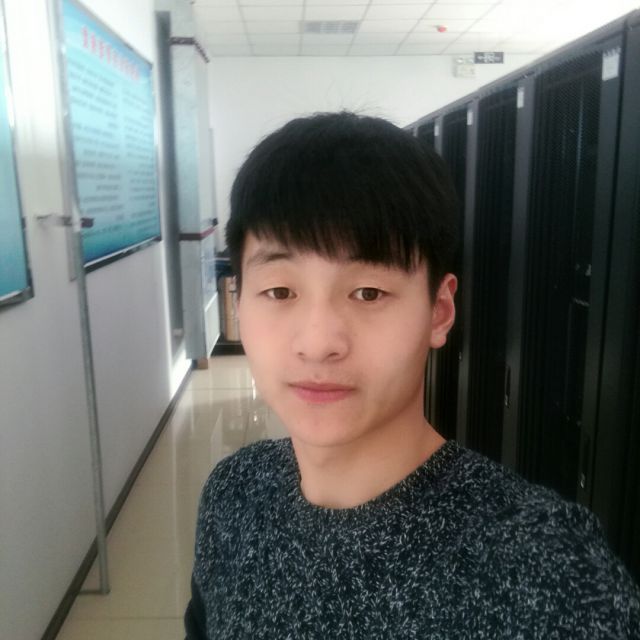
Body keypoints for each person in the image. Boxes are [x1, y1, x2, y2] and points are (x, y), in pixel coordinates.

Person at [184, 111, 640, 639]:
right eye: (280, 291)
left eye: (368, 292)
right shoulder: (234, 494)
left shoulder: (549, 573)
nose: (318, 342)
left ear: (439, 312)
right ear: (240, 303)